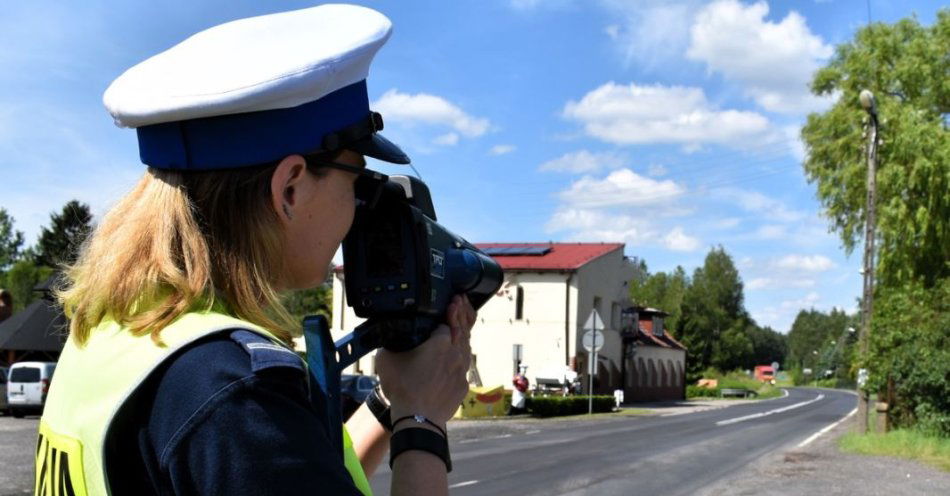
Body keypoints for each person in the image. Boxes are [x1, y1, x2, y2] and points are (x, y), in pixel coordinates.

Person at [37, 5, 475, 496]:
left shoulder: (113, 335)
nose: (357, 206)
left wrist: (392, 401)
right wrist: (423, 423)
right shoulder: (233, 393)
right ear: (290, 188)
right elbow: (254, 447)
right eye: (355, 179)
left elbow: (294, 467)